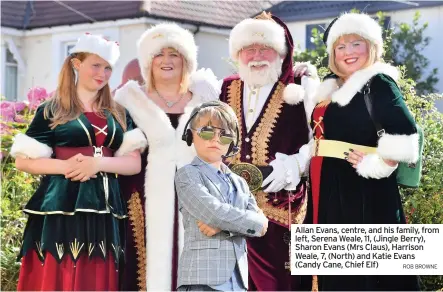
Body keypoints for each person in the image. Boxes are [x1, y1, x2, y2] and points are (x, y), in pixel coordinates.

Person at [10, 33, 146, 291]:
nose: (103, 73)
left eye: (108, 68)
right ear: (76, 64)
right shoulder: (52, 110)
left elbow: (133, 163)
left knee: (95, 278)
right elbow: (24, 161)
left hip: (105, 208)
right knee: (57, 274)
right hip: (60, 205)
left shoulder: (118, 112)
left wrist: (97, 165)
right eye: (96, 65)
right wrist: (67, 167)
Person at [308, 12, 421, 290]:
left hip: (362, 191)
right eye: (340, 46)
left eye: (356, 43)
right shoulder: (331, 86)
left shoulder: (378, 82)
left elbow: (405, 134)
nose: (348, 52)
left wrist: (378, 164)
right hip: (329, 187)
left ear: (371, 46)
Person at [114, 23, 220, 291]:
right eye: (159, 54)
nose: (166, 61)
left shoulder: (204, 101)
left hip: (197, 200)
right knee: (141, 271)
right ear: (148, 61)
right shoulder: (129, 100)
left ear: (187, 61)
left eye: (174, 54)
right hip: (141, 200)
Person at [219, 11, 319, 291]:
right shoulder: (226, 87)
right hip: (232, 212)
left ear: (281, 52)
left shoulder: (301, 86)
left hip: (281, 212)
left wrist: (289, 167)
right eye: (249, 49)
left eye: (266, 48)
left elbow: (320, 140)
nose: (257, 55)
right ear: (238, 53)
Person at [174, 100, 269, 291]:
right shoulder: (187, 175)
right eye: (207, 131)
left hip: (238, 282)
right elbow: (214, 213)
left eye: (224, 135)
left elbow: (262, 225)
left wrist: (224, 228)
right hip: (202, 280)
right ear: (191, 134)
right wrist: (243, 223)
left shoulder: (240, 182)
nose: (216, 139)